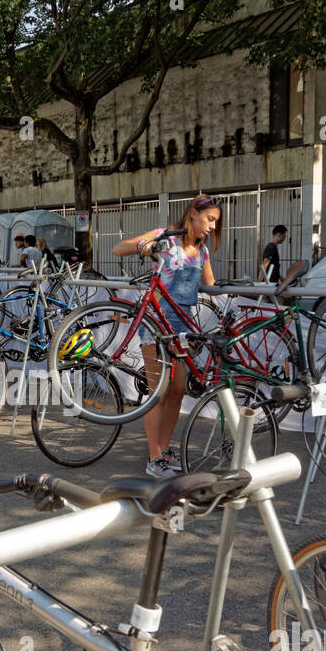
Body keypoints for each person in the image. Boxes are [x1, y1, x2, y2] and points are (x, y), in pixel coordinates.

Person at [113, 193, 221, 476]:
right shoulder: (166, 237)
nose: (211, 226)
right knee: (157, 393)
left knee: (176, 393)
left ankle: (164, 450)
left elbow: (211, 284)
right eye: (209, 219)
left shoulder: (203, 252)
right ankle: (154, 457)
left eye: (215, 223)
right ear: (193, 214)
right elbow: (118, 248)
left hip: (185, 329)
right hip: (157, 325)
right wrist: (145, 246)